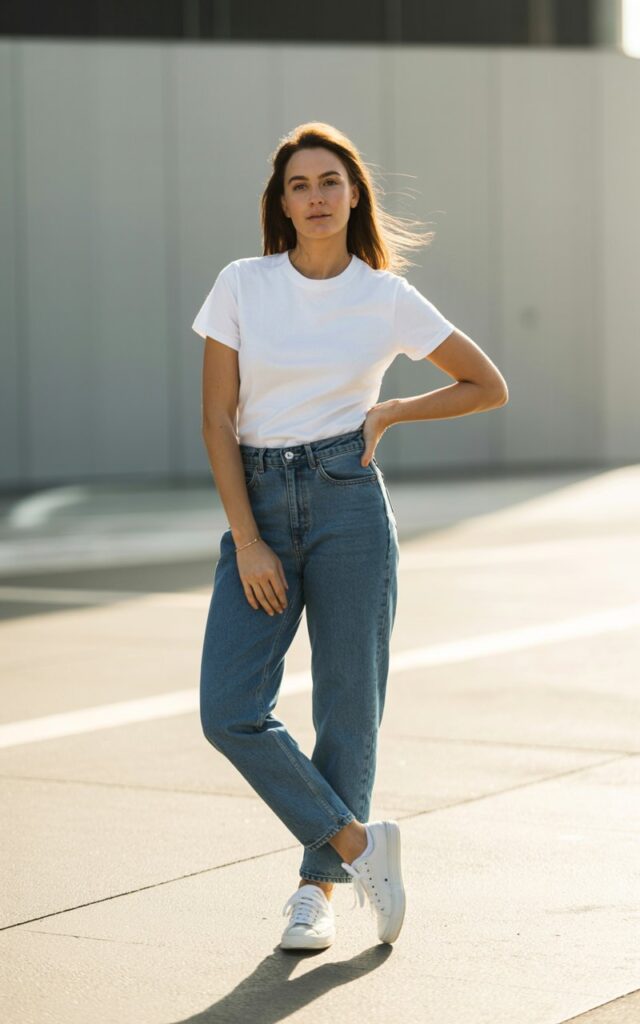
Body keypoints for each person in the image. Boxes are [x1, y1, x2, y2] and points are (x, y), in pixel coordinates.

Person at [191, 122, 508, 951]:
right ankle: (360, 846)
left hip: (347, 504)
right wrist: (247, 539)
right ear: (283, 203)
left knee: (347, 709)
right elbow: (217, 421)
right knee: (228, 710)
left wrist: (398, 408)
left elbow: (486, 384)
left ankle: (317, 891)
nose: (317, 196)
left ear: (355, 192)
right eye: (300, 185)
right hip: (259, 503)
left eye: (331, 180)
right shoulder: (241, 284)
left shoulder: (385, 296)